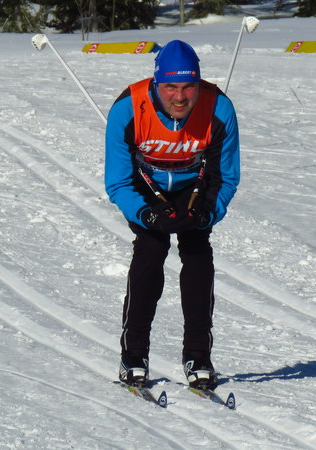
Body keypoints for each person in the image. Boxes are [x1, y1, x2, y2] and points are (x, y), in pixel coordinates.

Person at [104, 40, 240, 390]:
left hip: (194, 188)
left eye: (188, 87)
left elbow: (226, 177)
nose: (180, 97)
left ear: (198, 84)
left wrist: (207, 214)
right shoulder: (127, 108)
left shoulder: (219, 107)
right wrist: (147, 215)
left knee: (197, 251)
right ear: (156, 83)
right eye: (170, 87)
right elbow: (118, 182)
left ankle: (198, 356)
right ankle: (134, 355)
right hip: (146, 189)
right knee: (151, 249)